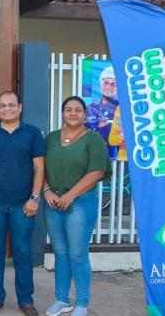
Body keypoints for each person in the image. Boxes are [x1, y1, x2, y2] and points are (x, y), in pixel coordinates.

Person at [0, 91, 45, 316]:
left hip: (22, 206)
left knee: (23, 253)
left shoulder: (32, 133)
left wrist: (35, 198)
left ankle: (26, 300)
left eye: (11, 105)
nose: (7, 109)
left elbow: (39, 168)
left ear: (20, 107)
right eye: (2, 105)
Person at [43, 96, 111, 316]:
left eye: (78, 110)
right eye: (68, 109)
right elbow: (40, 168)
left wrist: (70, 195)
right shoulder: (51, 139)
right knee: (60, 253)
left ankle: (82, 302)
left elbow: (97, 171)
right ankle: (62, 299)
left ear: (84, 114)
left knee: (78, 254)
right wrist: (47, 191)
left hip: (80, 203)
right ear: (62, 113)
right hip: (52, 202)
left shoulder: (93, 139)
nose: (73, 113)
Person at [85, 66, 118, 153]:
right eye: (105, 83)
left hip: (115, 157)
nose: (108, 87)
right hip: (91, 154)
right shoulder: (90, 108)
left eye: (113, 84)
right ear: (100, 84)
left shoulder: (122, 110)